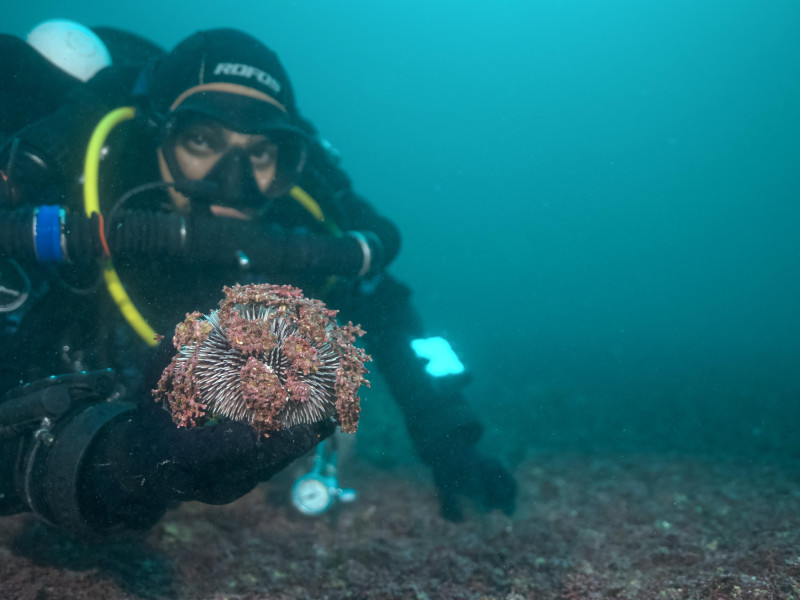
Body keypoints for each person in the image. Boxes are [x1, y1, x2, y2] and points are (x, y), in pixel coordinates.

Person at [0, 22, 516, 539]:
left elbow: (396, 316)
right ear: (159, 135)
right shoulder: (77, 207)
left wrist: (452, 434)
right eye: (203, 139)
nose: (235, 181)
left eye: (261, 151)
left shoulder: (304, 223)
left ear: (286, 158)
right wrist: (117, 467)